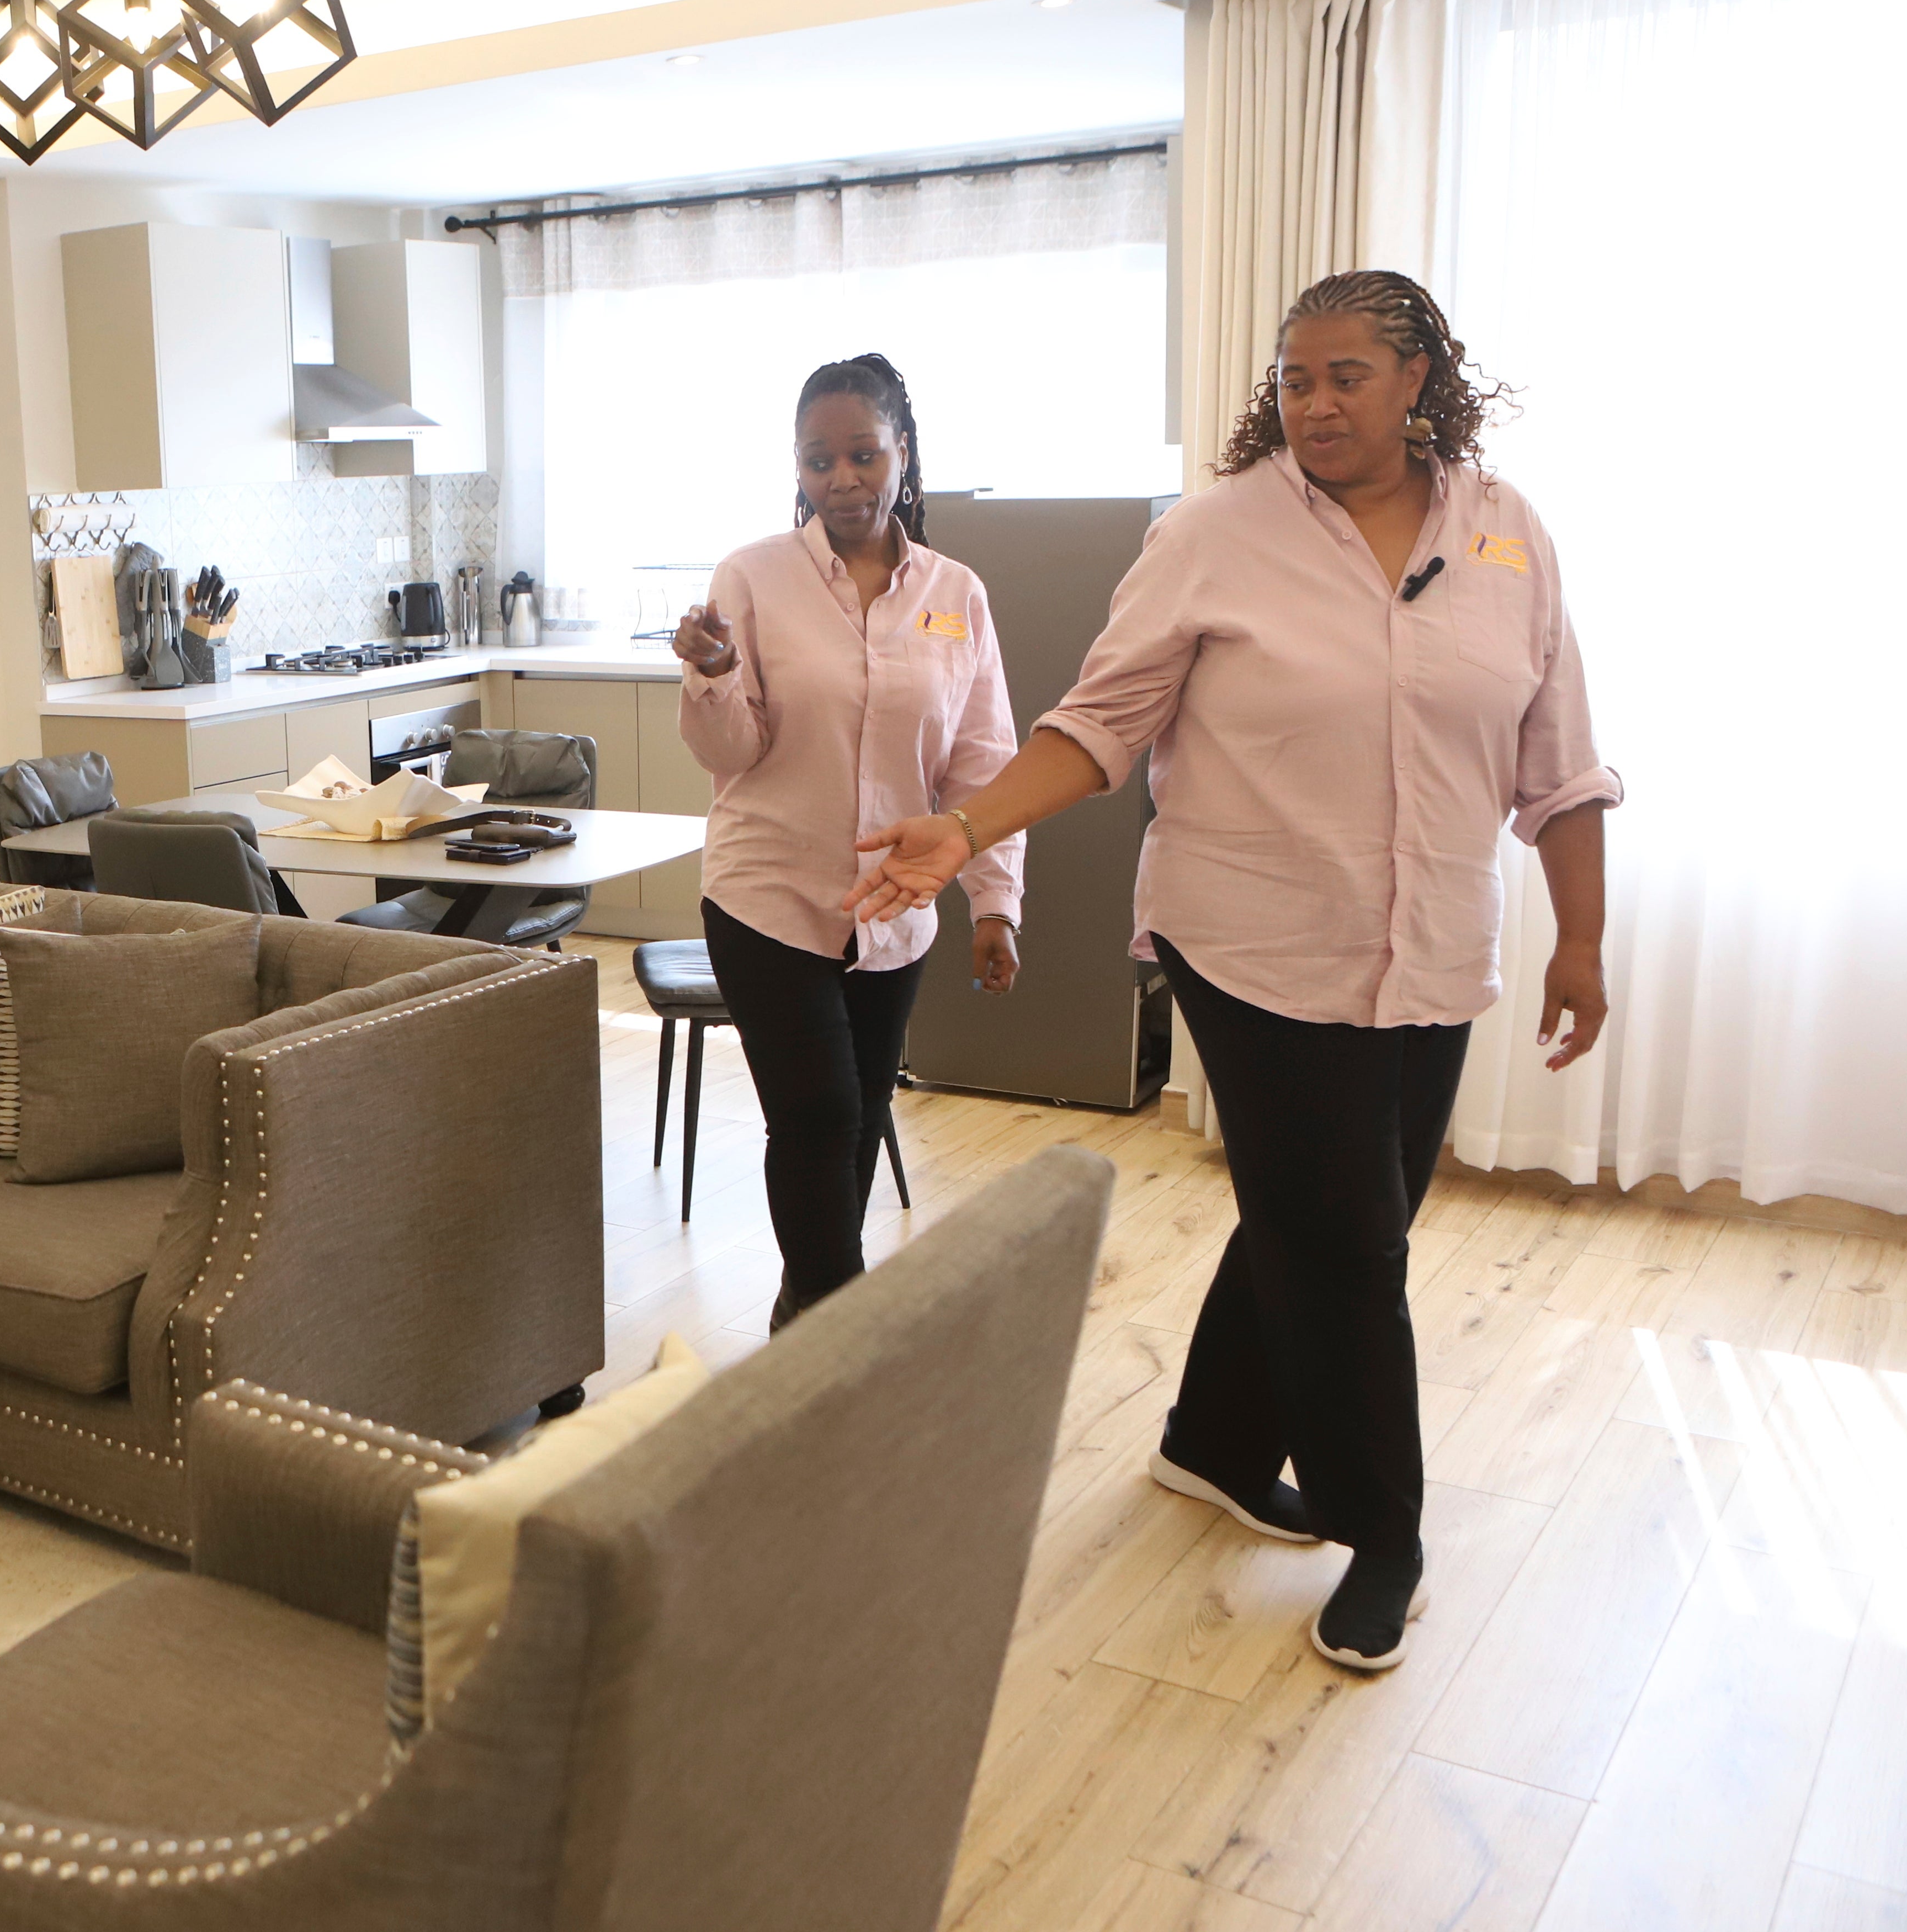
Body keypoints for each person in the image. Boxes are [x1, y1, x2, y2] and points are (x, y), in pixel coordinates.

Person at [842, 270, 1618, 1672]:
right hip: (1253, 940)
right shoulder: (1217, 536)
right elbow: (1099, 725)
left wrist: (1582, 934)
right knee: (1351, 1240)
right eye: (1296, 378)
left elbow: (1559, 763)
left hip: (1431, 947)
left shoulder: (1509, 536)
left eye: (1347, 377)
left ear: (1421, 379)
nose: (1314, 403)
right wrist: (964, 829)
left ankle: (1210, 1442)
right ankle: (1388, 1534)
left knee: (1324, 1210)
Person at [672, 352, 1023, 1329]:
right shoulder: (751, 576)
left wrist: (995, 905)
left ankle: (806, 1316)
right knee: (819, 1114)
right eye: (819, 460)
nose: (842, 479)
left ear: (902, 454)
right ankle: (838, 1339)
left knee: (860, 1120)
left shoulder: (956, 593)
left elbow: (983, 762)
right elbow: (730, 753)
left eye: (863, 454)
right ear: (798, 467)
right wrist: (710, 677)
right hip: (768, 894)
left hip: (895, 906)